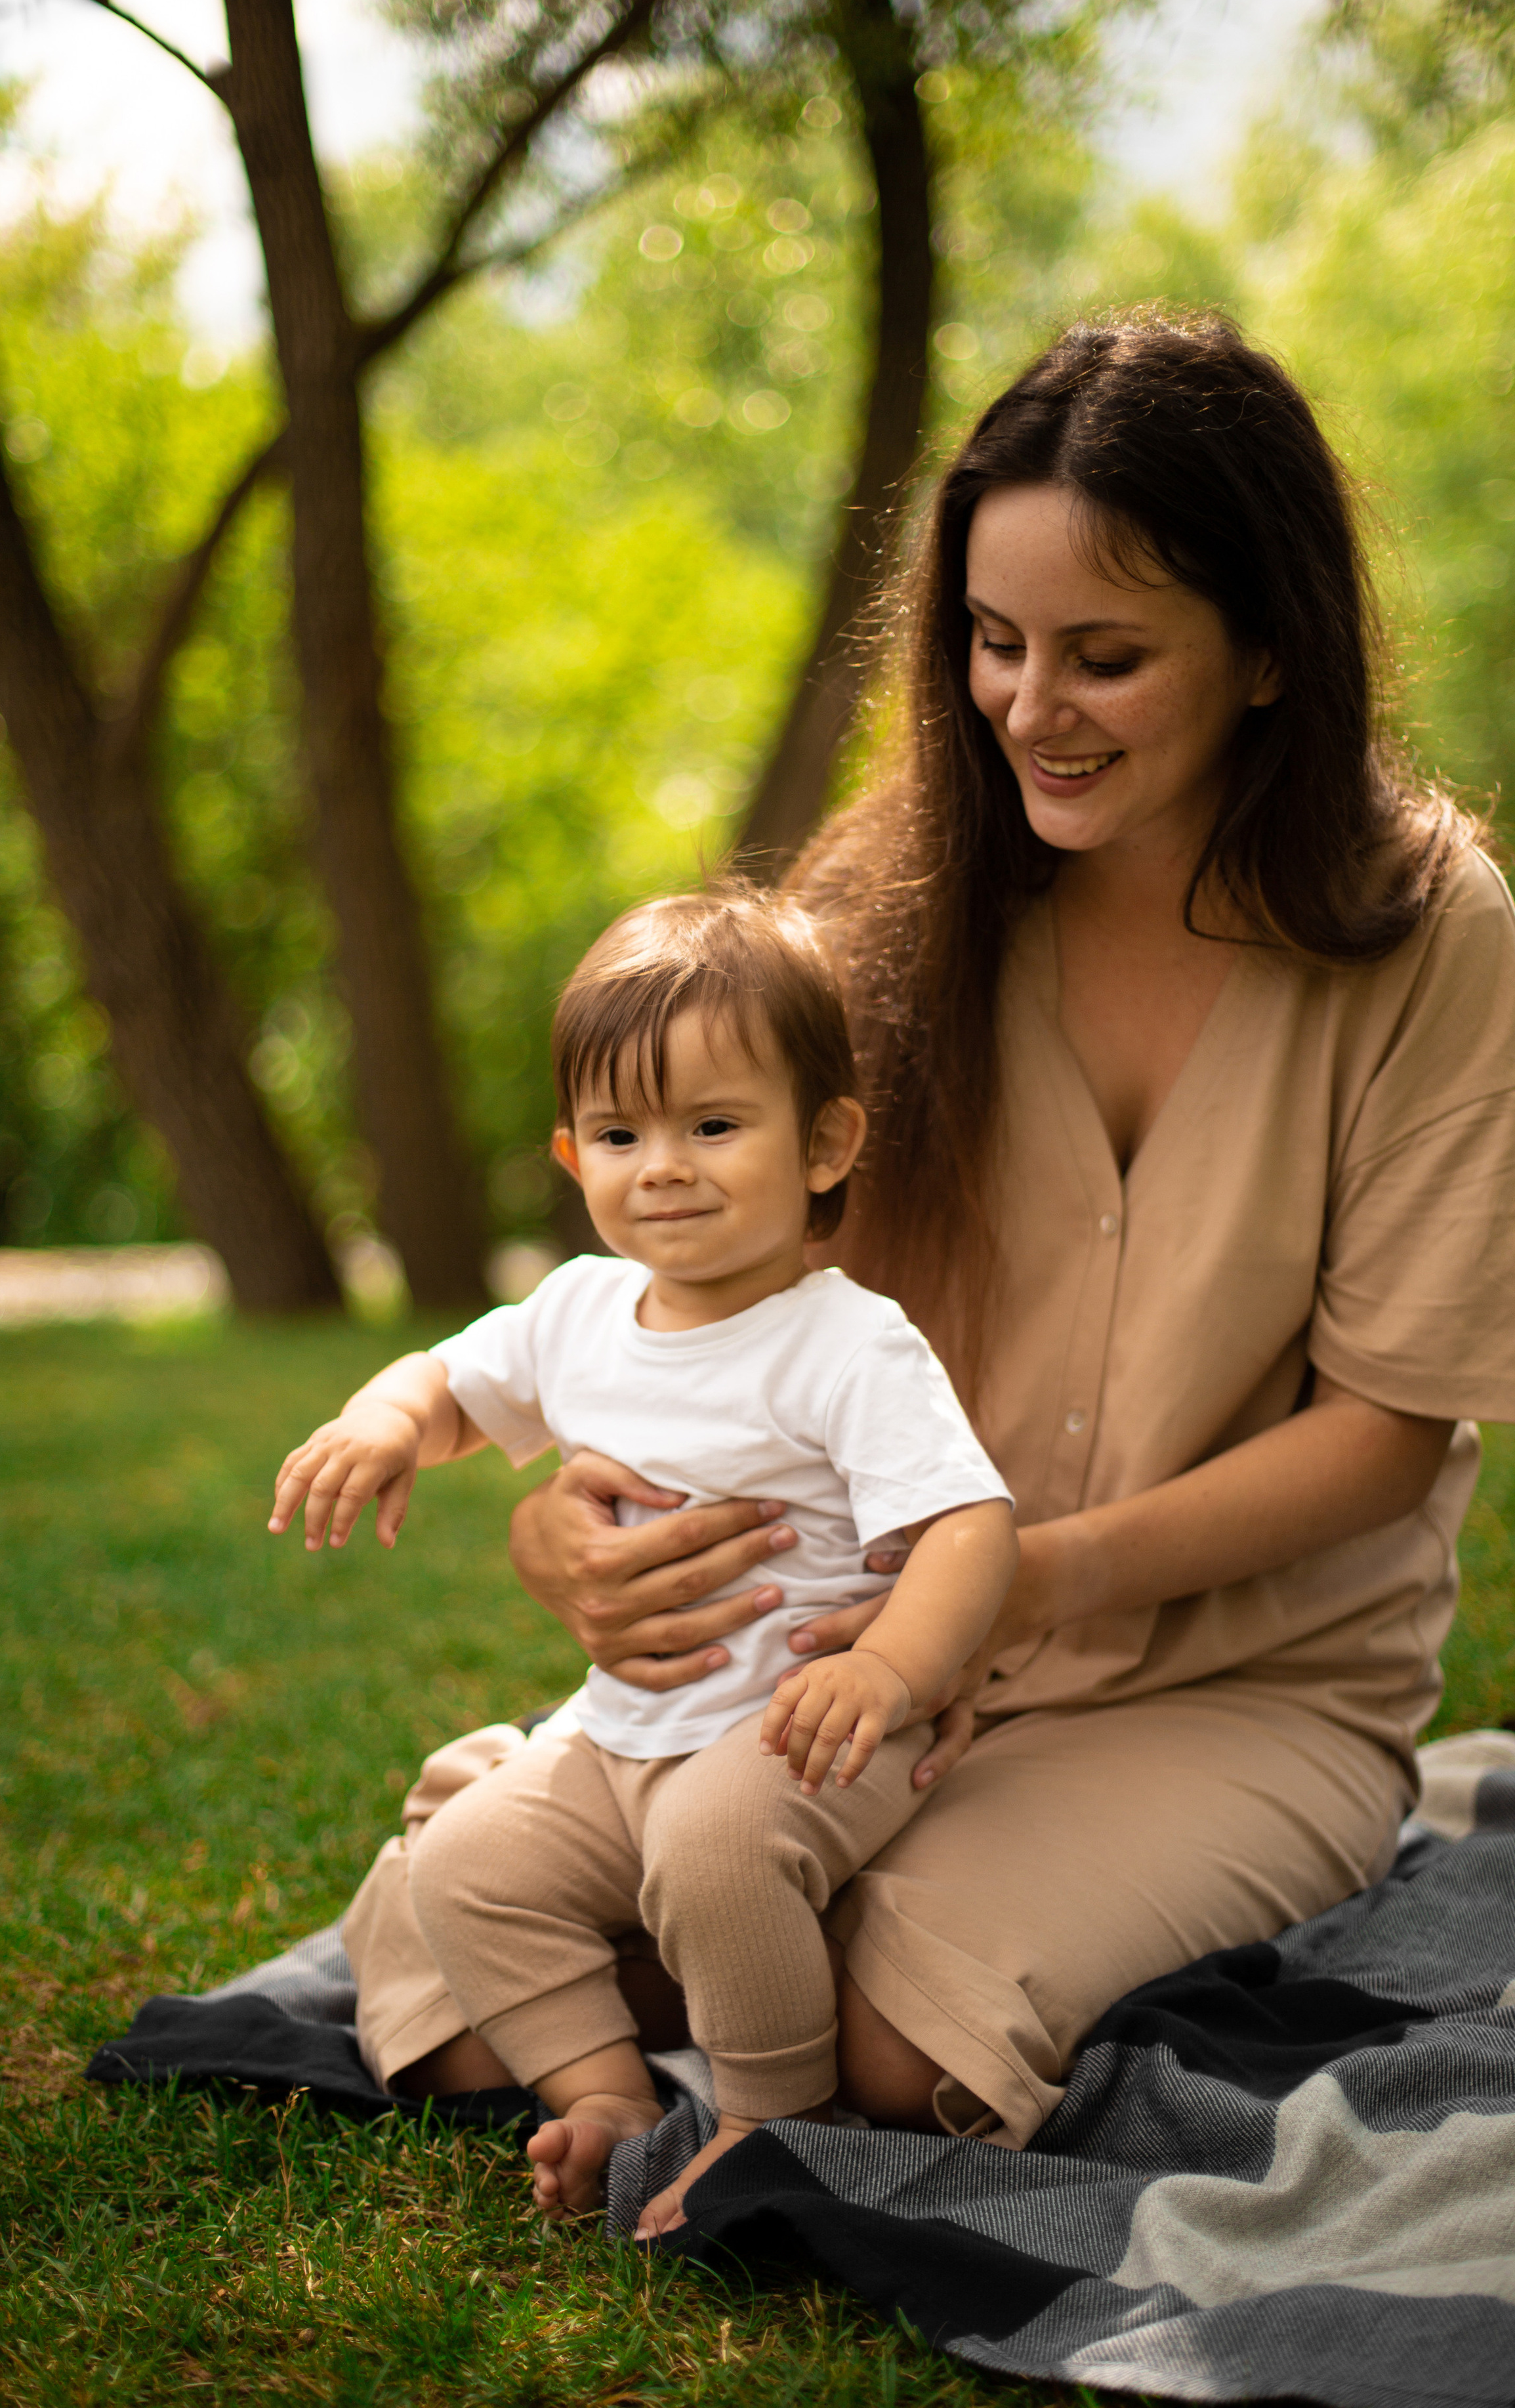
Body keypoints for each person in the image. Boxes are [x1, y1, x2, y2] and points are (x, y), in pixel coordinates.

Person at [336, 308, 1515, 2193]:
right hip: (838, 1661)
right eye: (993, 644)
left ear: (1266, 655)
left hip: (1236, 1694)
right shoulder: (883, 899)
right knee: (584, 1932)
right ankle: (604, 1874)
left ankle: (626, 1907)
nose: (1028, 705)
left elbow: (1386, 1434)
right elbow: (699, 1301)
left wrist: (1004, 1591)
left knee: (896, 2053)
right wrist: (561, 1531)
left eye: (1105, 656)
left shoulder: (1424, 927)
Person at [270, 889, 1016, 2231]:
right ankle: (604, 2096)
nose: (661, 1166)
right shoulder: (578, 1313)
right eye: (620, 1135)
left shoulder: (847, 1343)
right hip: (624, 1730)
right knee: (468, 1858)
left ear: (825, 1142)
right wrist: (381, 1421)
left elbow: (969, 1527)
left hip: (809, 1729)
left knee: (714, 1849)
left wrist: (895, 1671)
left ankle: (773, 2121)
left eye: (713, 1126)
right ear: (573, 1158)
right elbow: (451, 1382)